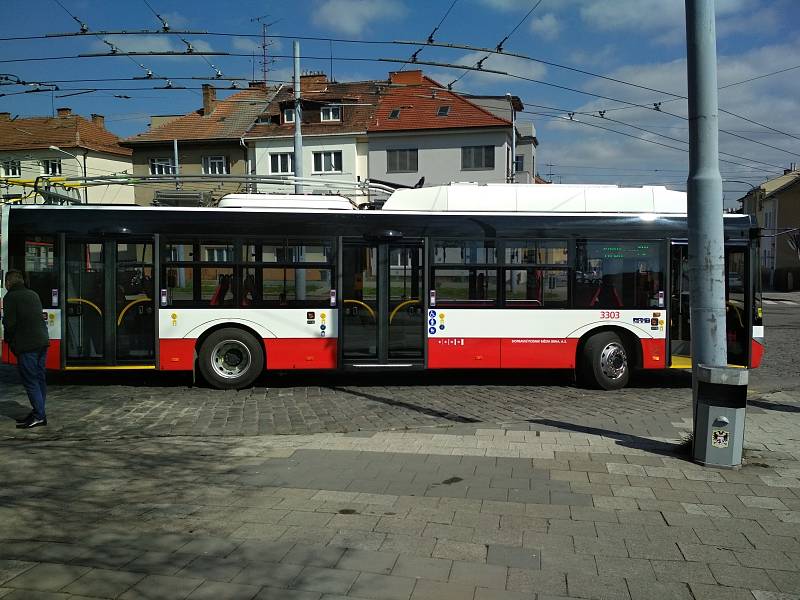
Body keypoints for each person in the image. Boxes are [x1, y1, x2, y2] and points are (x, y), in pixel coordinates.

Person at [2, 270, 50, 428]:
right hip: (42, 342)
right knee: (39, 378)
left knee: (30, 380)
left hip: (27, 345)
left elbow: (10, 325)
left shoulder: (10, 297)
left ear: (8, 282)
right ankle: (39, 411)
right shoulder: (33, 294)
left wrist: (11, 343)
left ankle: (39, 415)